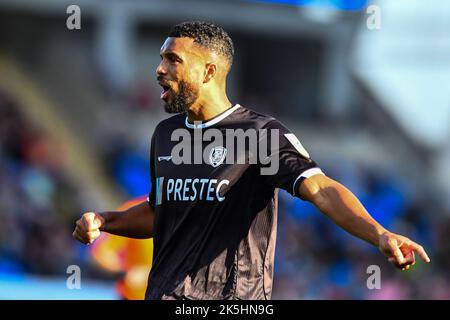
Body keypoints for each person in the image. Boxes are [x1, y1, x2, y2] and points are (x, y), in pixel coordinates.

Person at [73, 21, 430, 300]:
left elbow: (320, 189)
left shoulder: (259, 133)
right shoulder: (165, 135)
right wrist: (105, 221)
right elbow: (158, 213)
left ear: (209, 72)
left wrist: (378, 233)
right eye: (161, 58)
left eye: (172, 60)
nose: (159, 69)